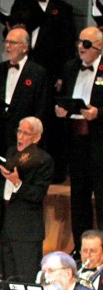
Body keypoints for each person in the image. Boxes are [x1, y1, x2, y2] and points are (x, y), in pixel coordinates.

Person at [0, 28, 48, 248]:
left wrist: (33, 140)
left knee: (18, 184)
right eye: (6, 41)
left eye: (13, 43)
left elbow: (41, 108)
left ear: (25, 47)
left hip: (23, 140)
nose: (8, 46)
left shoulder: (37, 73)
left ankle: (14, 236)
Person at [0, 116, 54, 281]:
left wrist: (17, 182)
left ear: (37, 137)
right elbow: (3, 188)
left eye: (26, 133)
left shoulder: (43, 160)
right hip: (4, 226)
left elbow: (38, 194)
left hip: (26, 231)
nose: (20, 137)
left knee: (25, 279)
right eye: (19, 131)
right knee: (6, 278)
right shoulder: (11, 152)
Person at [55, 26, 103, 242]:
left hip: (98, 141)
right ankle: (79, 245)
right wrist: (61, 110)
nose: (80, 47)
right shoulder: (71, 67)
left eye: (85, 43)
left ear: (98, 46)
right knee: (79, 195)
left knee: (101, 195)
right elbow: (65, 96)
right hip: (75, 140)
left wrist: (98, 113)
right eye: (79, 42)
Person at [9, 0, 76, 87]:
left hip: (49, 69)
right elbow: (7, 31)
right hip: (22, 63)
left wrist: (61, 76)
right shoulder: (21, 4)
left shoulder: (63, 9)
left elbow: (67, 46)